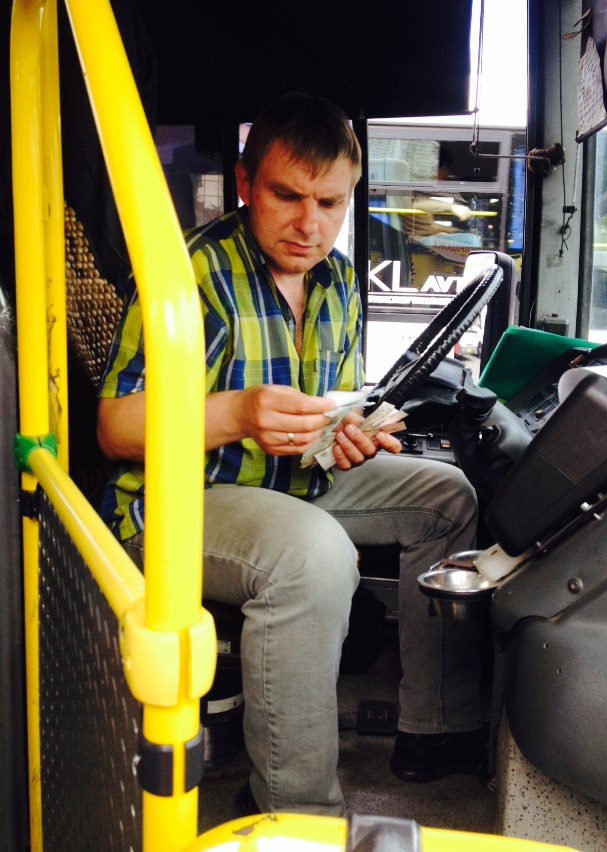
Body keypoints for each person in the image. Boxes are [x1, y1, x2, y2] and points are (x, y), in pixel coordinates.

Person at [96, 92, 489, 817]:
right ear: (246, 184)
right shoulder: (188, 275)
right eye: (287, 196)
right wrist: (236, 413)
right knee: (313, 554)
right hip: (181, 501)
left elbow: (329, 409)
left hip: (295, 480)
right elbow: (115, 428)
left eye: (331, 203)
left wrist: (352, 435)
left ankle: (437, 730)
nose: (311, 225)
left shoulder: (338, 283)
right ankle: (297, 814)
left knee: (448, 496)